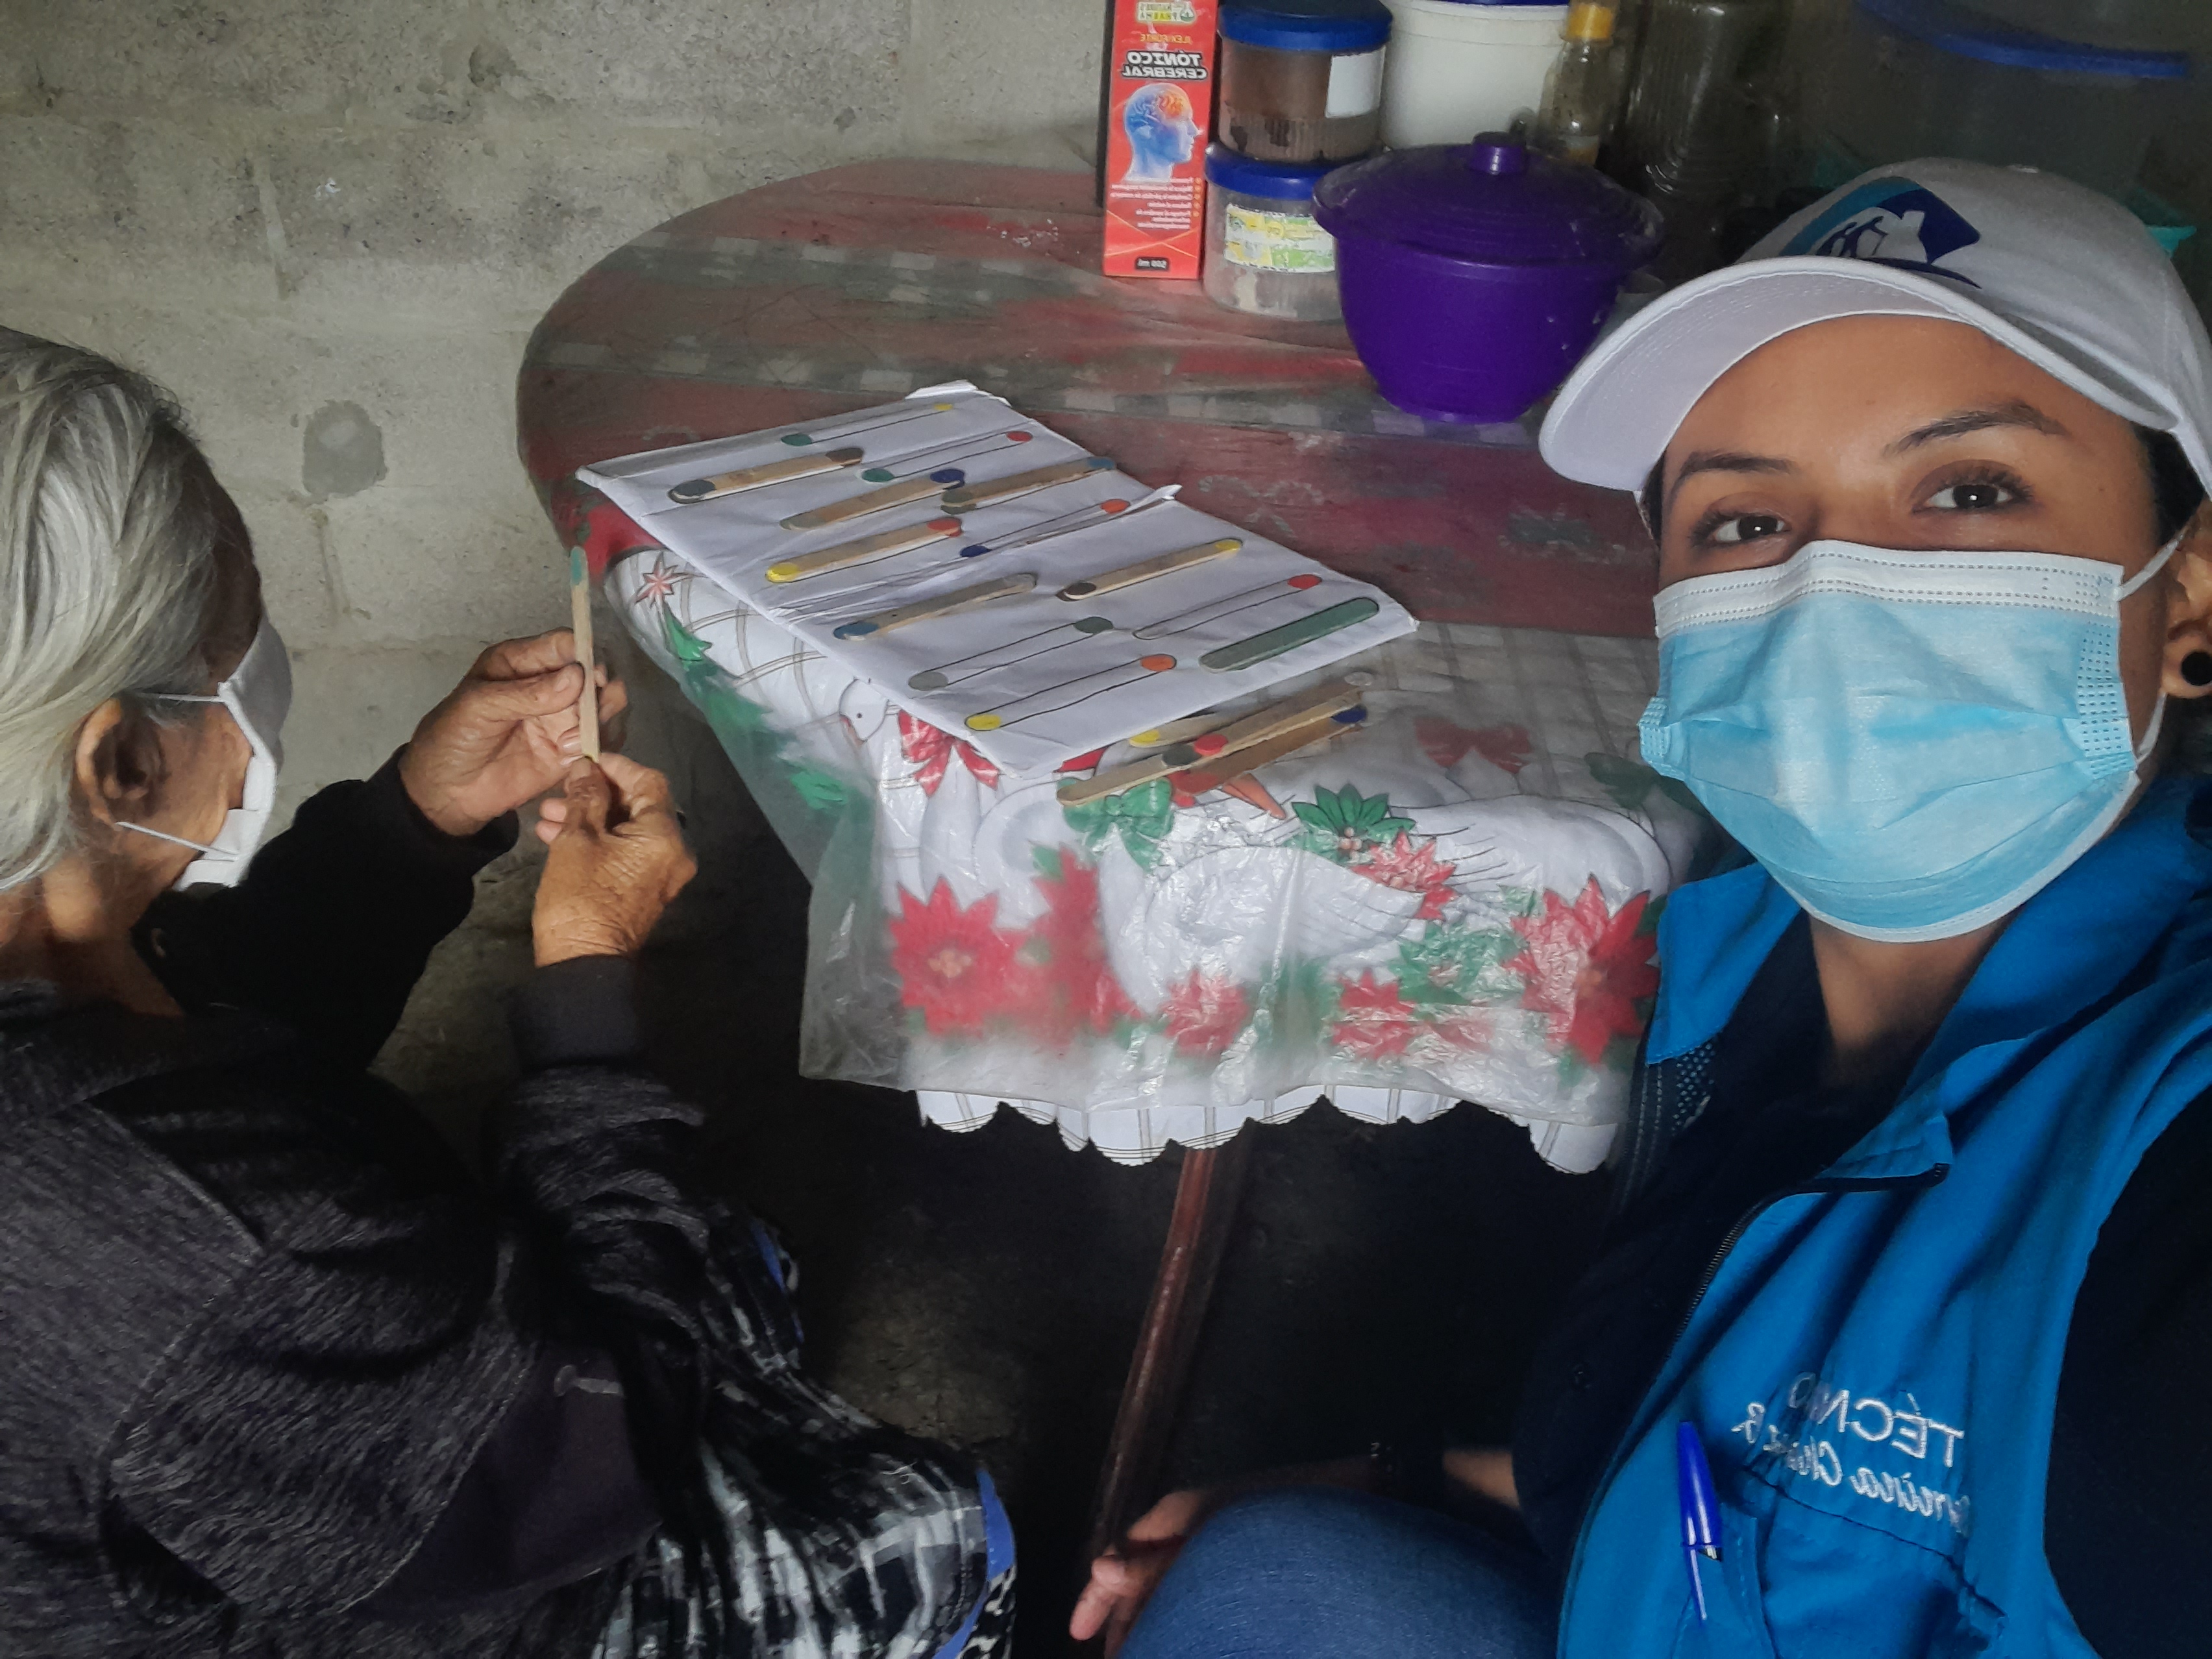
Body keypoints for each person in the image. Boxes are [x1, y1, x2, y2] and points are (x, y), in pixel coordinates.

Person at [1074, 159, 2212, 1659]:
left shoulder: (2163, 1159)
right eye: (1745, 521)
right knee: (1274, 1575)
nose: (1836, 589)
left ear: (2189, 597)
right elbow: (1739, 1454)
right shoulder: (1746, 967)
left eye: (1969, 491)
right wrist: (1389, 1481)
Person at [0, 329, 1014, 1658]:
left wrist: (417, 820)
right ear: (122, 762)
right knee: (936, 1528)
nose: (259, 667)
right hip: (438, 1563)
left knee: (718, 1249)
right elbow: (590, 1458)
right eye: (240, 642)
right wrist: (587, 991)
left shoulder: (63, 974)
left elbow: (213, 1022)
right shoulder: (193, 1255)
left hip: (261, 1441)